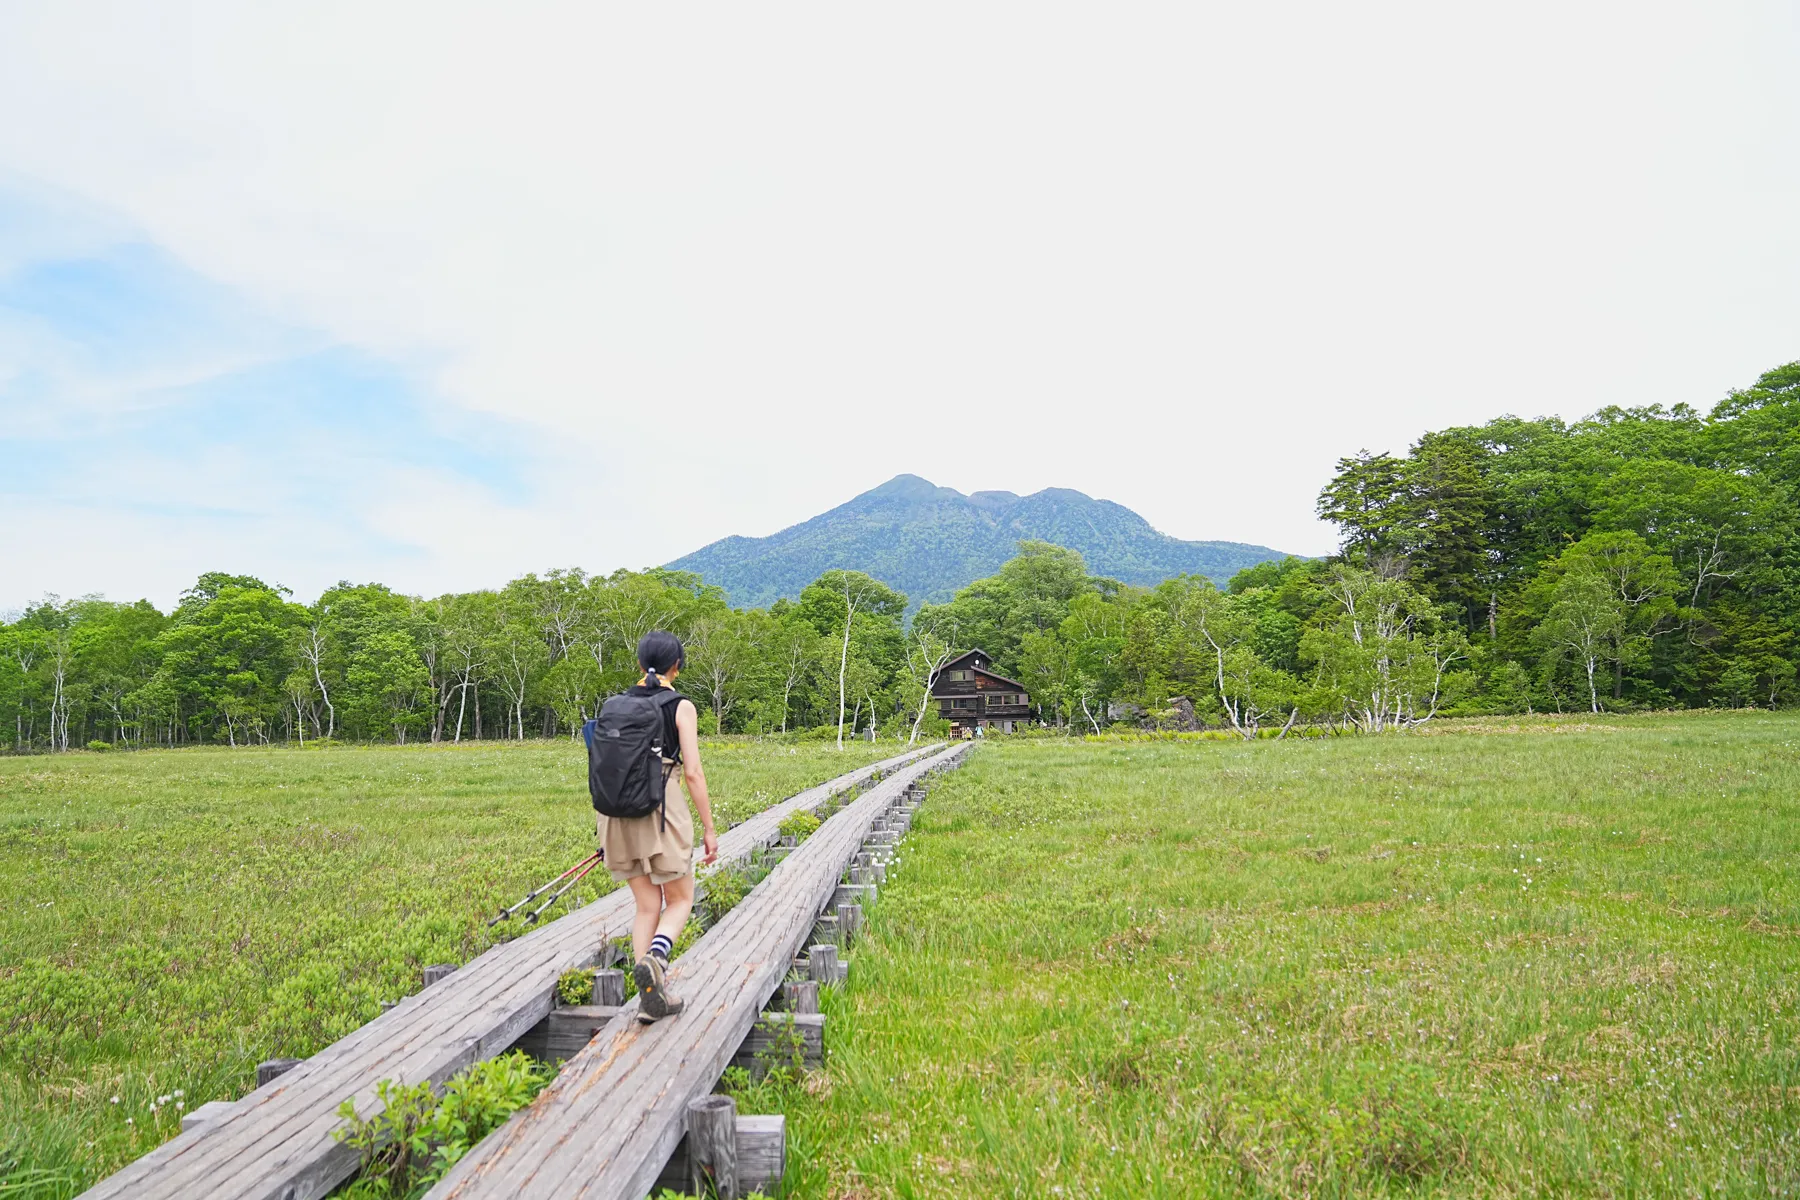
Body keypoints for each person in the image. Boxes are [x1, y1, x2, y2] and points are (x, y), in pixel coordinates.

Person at [596, 631, 719, 1022]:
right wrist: (710, 829)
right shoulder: (680, 706)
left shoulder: (614, 705)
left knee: (647, 905)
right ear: (677, 666)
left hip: (615, 814)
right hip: (662, 805)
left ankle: (650, 1000)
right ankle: (657, 958)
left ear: (639, 663)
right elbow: (694, 774)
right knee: (681, 898)